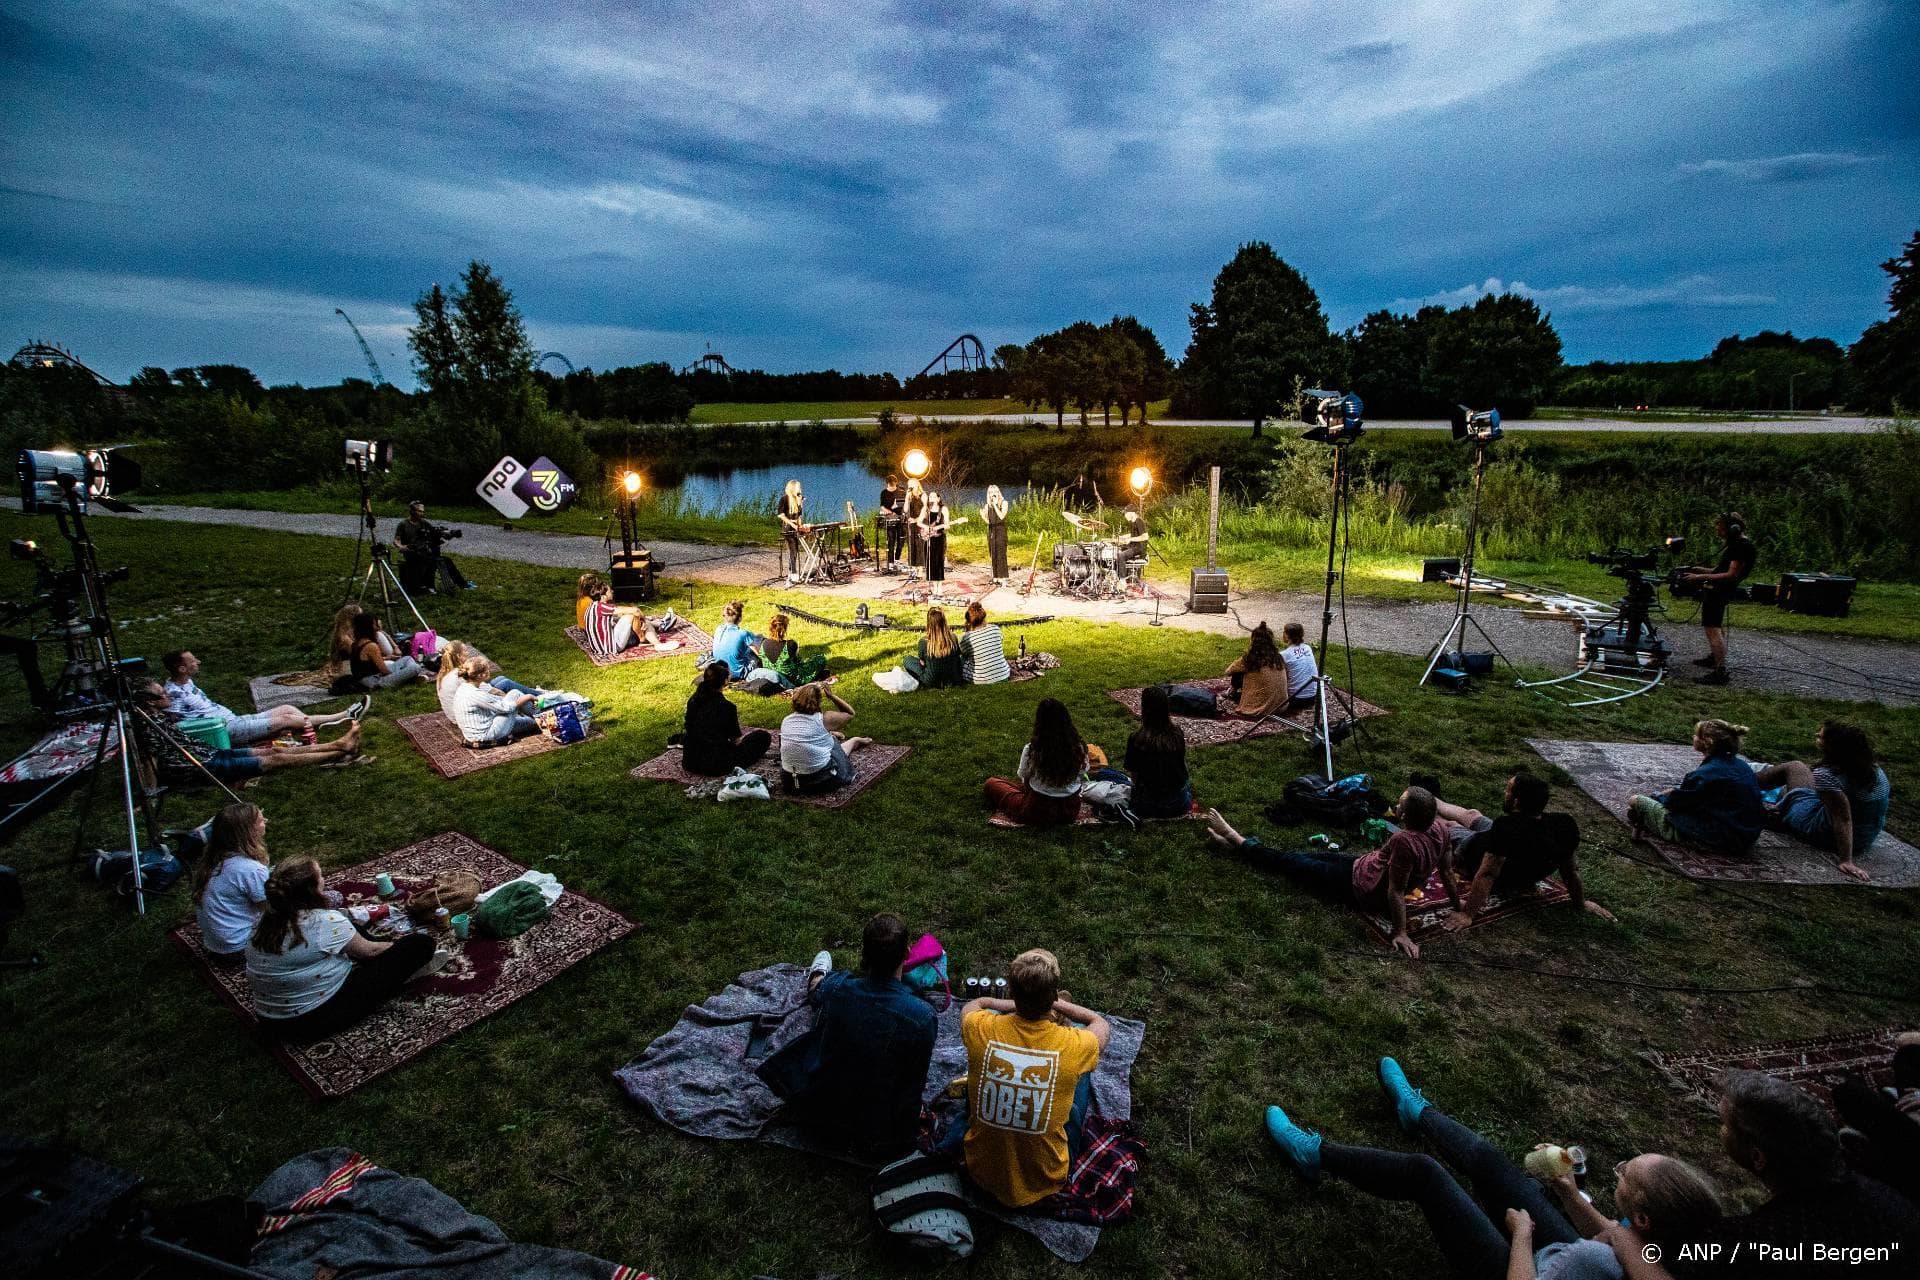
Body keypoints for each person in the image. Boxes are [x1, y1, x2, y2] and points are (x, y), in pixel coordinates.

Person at [1261, 1055, 1725, 1280]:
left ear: (1644, 1218)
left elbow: (1598, 1250)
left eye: (1627, 1175)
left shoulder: (1611, 1257)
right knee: (1489, 1162)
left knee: (1425, 1174)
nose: (1618, 1171)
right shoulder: (1658, 1246)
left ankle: (1314, 1154)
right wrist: (1566, 1193)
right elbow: (1611, 1237)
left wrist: (1522, 1235)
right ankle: (1417, 1111)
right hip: (1568, 1254)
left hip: (1518, 1269)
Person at [1605, 1070, 1920, 1279]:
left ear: (1757, 1157)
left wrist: (1623, 1237)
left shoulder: (1765, 1240)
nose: (1721, 1130)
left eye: (1725, 1124)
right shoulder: (1883, 1196)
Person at [756, 913, 938, 1160]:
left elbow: (817, 989)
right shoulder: (922, 1017)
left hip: (821, 1112)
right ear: (907, 954)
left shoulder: (838, 988)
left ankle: (818, 971)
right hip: (877, 1132)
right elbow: (912, 1084)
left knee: (817, 1021)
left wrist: (820, 978)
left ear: (865, 955)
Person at [1205, 789, 1462, 959]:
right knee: (1298, 857)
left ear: (1403, 814)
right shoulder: (1440, 829)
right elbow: (1448, 872)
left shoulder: (1404, 842)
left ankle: (1235, 838)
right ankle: (1244, 847)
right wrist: (1458, 905)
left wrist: (1400, 932)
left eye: (1400, 803)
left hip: (1357, 888)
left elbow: (1395, 890)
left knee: (1289, 863)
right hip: (1360, 866)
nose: (1396, 804)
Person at [946, 948, 1109, 1208]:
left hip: (980, 1173)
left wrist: (1018, 1002)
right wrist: (1054, 1003)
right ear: (1054, 996)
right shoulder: (1075, 1044)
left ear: (1011, 993)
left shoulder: (981, 1028)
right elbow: (1099, 1022)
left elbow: (974, 1005)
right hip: (1046, 1179)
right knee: (1081, 1070)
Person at [245, 857, 441, 1040]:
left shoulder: (264, 921)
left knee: (348, 927)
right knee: (420, 944)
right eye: (320, 876)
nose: (324, 879)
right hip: (311, 1020)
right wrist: (398, 949)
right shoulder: (321, 922)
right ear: (312, 889)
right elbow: (372, 951)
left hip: (269, 1019)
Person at [1431, 772, 1615, 930]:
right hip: (1500, 837)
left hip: (1470, 850)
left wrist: (1467, 914)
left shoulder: (1506, 829)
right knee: (1472, 815)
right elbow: (1570, 871)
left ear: (1516, 801)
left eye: (1508, 789)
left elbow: (1488, 873)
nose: (1505, 792)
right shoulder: (1563, 824)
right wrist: (1580, 902)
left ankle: (1418, 803)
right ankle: (1430, 797)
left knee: (1449, 825)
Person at [134, 683, 365, 783]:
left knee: (273, 749)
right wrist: (151, 793)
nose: (168, 697)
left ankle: (338, 744)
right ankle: (337, 750)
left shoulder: (156, 716)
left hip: (211, 753)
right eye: (161, 694)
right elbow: (148, 760)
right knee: (275, 759)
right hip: (200, 766)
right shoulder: (145, 725)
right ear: (148, 701)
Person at [1753, 720, 1891, 883]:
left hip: (1822, 831)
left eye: (1821, 736)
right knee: (1794, 783)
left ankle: (1742, 782)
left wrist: (1846, 860)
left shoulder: (1827, 776)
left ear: (1833, 746)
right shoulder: (1873, 770)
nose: (1816, 735)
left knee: (1794, 767)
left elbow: (1842, 818)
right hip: (1866, 835)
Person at [160, 650, 363, 744]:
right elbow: (177, 724)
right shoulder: (173, 694)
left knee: (287, 708)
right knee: (286, 719)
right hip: (226, 730)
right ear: (182, 668)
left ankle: (308, 728)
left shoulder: (185, 682)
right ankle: (344, 714)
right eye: (192, 660)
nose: (198, 661)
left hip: (234, 720)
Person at [1627, 719, 1764, 856]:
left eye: (1696, 735)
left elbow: (1675, 805)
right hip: (1746, 836)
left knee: (1636, 801)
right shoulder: (1742, 766)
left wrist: (1659, 797)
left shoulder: (1703, 775)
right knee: (1676, 791)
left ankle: (1664, 828)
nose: (1693, 737)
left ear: (1706, 743)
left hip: (1722, 838)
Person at [1677, 512, 1756, 686]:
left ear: (1732, 529)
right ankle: (1715, 658)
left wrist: (1697, 578)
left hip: (1719, 591)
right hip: (1722, 590)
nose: (1718, 531)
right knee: (1716, 626)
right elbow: (1722, 569)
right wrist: (1699, 570)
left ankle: (1720, 671)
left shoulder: (1739, 547)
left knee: (1712, 628)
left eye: (1720, 528)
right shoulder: (1741, 544)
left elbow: (1731, 574)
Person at [984, 698, 1088, 827]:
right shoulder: (1078, 748)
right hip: (1070, 811)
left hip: (1037, 811)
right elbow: (1083, 774)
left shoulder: (1033, 749)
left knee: (992, 782)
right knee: (1009, 783)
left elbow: (1023, 777)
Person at [192, 802, 272, 964]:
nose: (266, 822)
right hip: (238, 948)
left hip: (217, 945)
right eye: (261, 821)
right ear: (249, 831)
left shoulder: (214, 860)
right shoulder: (250, 869)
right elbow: (270, 907)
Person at [679, 661, 773, 775]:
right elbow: (735, 741)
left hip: (690, 760)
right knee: (762, 737)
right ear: (725, 681)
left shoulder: (693, 700)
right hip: (715, 764)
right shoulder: (727, 707)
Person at [779, 682, 872, 794]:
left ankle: (849, 739)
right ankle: (854, 740)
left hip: (790, 782)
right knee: (832, 742)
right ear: (819, 701)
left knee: (823, 741)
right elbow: (850, 713)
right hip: (821, 781)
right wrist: (832, 696)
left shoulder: (786, 720)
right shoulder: (824, 720)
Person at [1124, 686, 1191, 819]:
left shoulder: (1137, 739)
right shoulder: (1177, 733)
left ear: (1144, 709)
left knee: (1111, 776)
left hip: (1148, 806)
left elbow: (1134, 777)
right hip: (1179, 804)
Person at [449, 657, 539, 746]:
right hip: (486, 734)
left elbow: (494, 701)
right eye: (487, 670)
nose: (489, 671)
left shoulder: (465, 687)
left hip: (479, 730)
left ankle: (540, 718)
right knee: (515, 693)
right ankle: (544, 714)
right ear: (480, 675)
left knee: (533, 723)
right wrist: (528, 697)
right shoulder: (475, 694)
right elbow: (506, 708)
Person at [1225, 622, 1305, 718]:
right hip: (1281, 706)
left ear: (1253, 640)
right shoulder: (1279, 656)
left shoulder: (1250, 658)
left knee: (1238, 674)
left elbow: (1229, 671)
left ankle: (1232, 693)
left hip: (1259, 709)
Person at [393, 500, 474, 594]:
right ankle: (428, 587)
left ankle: (463, 584)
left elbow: (435, 533)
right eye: (419, 511)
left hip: (424, 552)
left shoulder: (424, 523)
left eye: (422, 511)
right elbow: (396, 540)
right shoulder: (403, 524)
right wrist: (401, 547)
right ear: (411, 511)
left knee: (446, 560)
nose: (421, 513)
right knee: (432, 562)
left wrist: (448, 534)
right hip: (412, 554)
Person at [580, 582, 667, 659]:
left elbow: (617, 616)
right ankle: (654, 642)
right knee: (632, 617)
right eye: (610, 591)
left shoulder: (592, 607)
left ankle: (658, 628)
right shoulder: (601, 607)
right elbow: (635, 610)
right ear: (603, 596)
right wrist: (643, 620)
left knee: (630, 618)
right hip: (612, 647)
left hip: (599, 647)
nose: (612, 592)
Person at [346, 614, 425, 690]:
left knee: (407, 658)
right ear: (368, 627)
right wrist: (399, 674)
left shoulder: (356, 644)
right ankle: (413, 677)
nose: (376, 627)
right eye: (374, 624)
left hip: (369, 678)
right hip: (374, 682)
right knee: (416, 667)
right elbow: (384, 670)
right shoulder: (371, 646)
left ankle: (411, 677)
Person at [904, 607, 964, 689]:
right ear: (944, 622)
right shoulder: (953, 638)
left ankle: (928, 680)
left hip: (930, 681)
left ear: (929, 623)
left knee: (907, 659)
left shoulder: (923, 642)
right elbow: (957, 657)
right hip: (952, 679)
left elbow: (922, 663)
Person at [759, 613, 826, 687]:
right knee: (820, 659)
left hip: (771, 678)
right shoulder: (790, 644)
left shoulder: (763, 643)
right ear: (784, 628)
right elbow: (797, 663)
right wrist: (797, 653)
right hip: (792, 679)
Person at [958, 601, 1010, 685]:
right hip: (1003, 674)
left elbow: (963, 653)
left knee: (961, 659)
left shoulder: (966, 638)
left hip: (980, 680)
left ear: (968, 620)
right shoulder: (995, 629)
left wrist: (967, 631)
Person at [709, 600, 762, 678]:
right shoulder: (743, 633)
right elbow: (758, 653)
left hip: (720, 670)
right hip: (738, 673)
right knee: (754, 653)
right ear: (740, 618)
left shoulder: (718, 629)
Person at [1278, 621, 1320, 710]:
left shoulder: (1284, 655)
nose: (1283, 634)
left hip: (1296, 699)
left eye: (1284, 632)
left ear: (1287, 636)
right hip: (1314, 696)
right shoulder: (1307, 648)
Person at [919, 491, 951, 583]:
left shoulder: (943, 509)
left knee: (939, 562)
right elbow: (919, 522)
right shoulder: (926, 509)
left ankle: (939, 588)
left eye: (934, 497)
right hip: (929, 539)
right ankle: (933, 587)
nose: (931, 498)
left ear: (938, 499)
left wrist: (945, 526)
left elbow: (947, 524)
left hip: (940, 538)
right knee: (930, 563)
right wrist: (927, 527)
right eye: (930, 497)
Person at [776, 479, 805, 581]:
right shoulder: (784, 499)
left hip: (796, 526)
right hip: (788, 527)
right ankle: (793, 573)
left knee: (796, 550)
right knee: (793, 549)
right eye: (798, 488)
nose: (800, 490)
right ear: (793, 488)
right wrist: (792, 524)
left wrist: (801, 503)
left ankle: (791, 570)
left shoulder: (797, 499)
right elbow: (781, 515)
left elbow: (799, 515)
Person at [982, 484, 1011, 582]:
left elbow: (1001, 516)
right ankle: (996, 576)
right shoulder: (987, 506)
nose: (992, 494)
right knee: (993, 553)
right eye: (990, 492)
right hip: (991, 530)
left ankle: (1003, 577)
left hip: (1000, 530)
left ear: (998, 493)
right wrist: (983, 516)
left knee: (1001, 553)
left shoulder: (1004, 503)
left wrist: (995, 505)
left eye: (994, 492)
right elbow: (988, 521)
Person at [879, 474, 907, 566]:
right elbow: (882, 507)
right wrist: (890, 513)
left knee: (900, 541)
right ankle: (890, 562)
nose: (891, 487)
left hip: (901, 519)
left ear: (896, 483)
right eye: (890, 485)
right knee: (891, 541)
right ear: (887, 484)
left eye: (893, 485)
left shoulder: (902, 492)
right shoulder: (884, 493)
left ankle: (897, 559)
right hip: (890, 519)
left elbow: (905, 506)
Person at [1117, 504, 1148, 586]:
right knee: (1117, 549)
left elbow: (1145, 536)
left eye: (1126, 513)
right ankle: (1123, 574)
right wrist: (1123, 537)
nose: (1125, 515)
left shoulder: (1139, 521)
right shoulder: (1133, 522)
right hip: (1134, 546)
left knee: (1121, 555)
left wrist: (1130, 539)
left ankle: (1122, 580)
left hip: (1139, 548)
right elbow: (1133, 535)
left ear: (1132, 513)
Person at [904, 477, 927, 570]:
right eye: (908, 485)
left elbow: (925, 511)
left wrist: (917, 520)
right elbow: (905, 510)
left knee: (919, 546)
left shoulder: (923, 495)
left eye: (911, 484)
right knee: (912, 545)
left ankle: (920, 571)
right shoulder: (910, 496)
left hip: (921, 523)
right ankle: (913, 569)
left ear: (917, 485)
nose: (909, 486)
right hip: (911, 524)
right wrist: (906, 497)